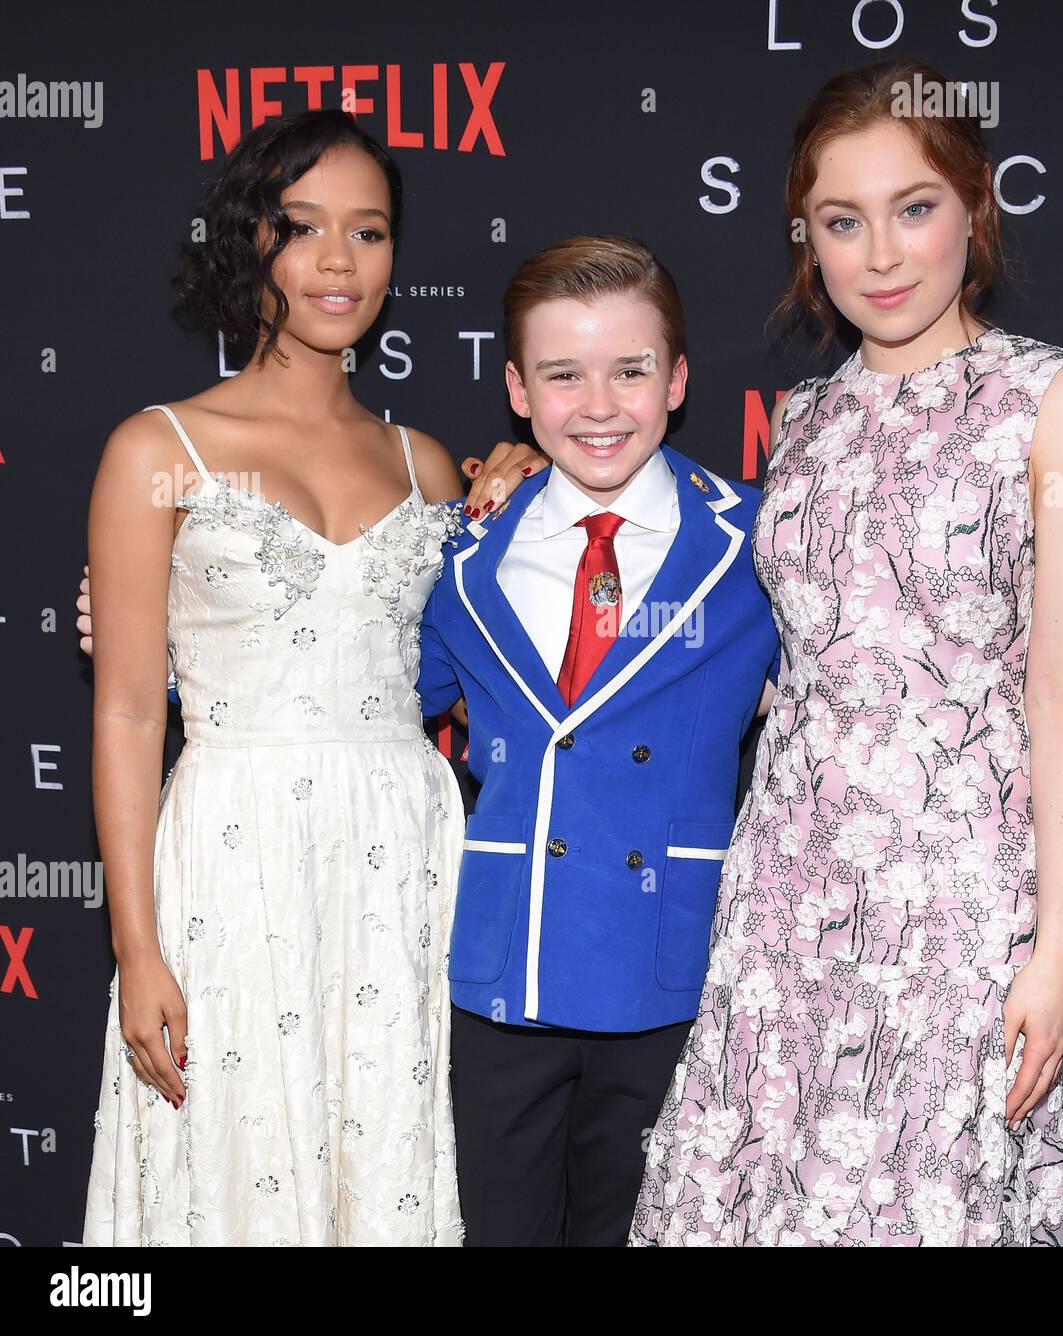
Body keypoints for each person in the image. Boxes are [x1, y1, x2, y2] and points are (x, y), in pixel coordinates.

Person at [630, 59, 1063, 1246]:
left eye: (914, 208)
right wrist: (504, 487)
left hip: (954, 906)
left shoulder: (1059, 401)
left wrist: (1053, 944)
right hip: (782, 900)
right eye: (842, 222)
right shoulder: (804, 421)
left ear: (975, 205)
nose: (883, 254)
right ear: (805, 239)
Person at [78, 108, 536, 1246]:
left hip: (401, 858)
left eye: (369, 232)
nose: (339, 262)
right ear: (249, 243)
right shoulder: (157, 450)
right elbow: (132, 711)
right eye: (303, 227)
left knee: (387, 1154)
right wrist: (139, 947)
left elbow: (467, 680)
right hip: (233, 858)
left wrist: (526, 498)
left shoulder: (424, 460)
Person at [413, 235, 783, 1246]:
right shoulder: (462, 551)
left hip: (673, 973)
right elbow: (356, 694)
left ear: (677, 381)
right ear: (517, 392)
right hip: (505, 971)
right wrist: (162, 649)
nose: (600, 404)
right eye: (563, 374)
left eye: (629, 370)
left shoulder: (758, 545)